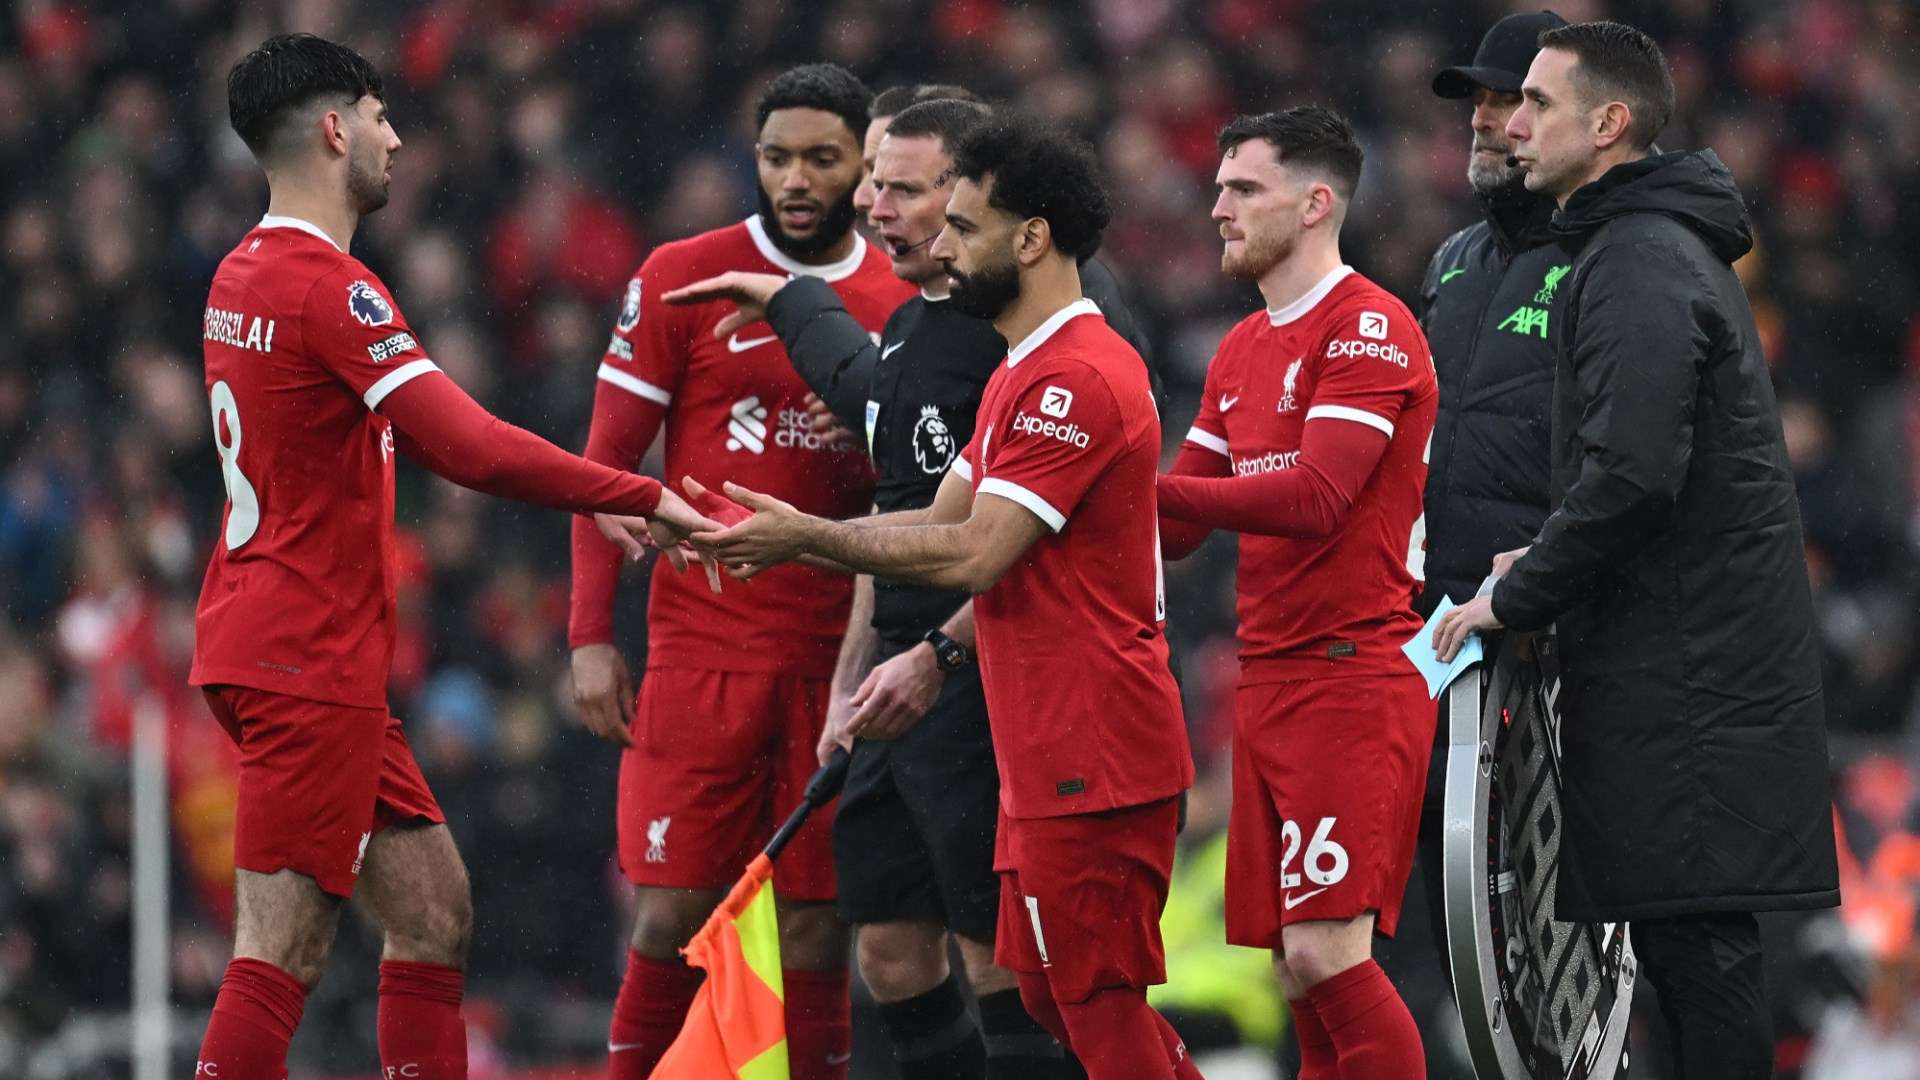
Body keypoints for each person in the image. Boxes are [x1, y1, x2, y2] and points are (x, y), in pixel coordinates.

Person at [189, 33, 719, 1080]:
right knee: (281, 947)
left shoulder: (237, 272)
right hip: (303, 659)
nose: (397, 135)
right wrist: (636, 490)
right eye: (382, 115)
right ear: (335, 130)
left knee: (434, 910)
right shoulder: (329, 289)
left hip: (282, 643)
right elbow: (465, 446)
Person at [679, 112, 1201, 1080]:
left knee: (1092, 1001)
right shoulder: (1017, 374)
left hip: (1099, 745)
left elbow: (972, 554)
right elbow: (924, 519)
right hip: (1038, 739)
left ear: (1031, 238)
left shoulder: (1077, 377)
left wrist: (809, 538)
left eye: (962, 227)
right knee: (1053, 994)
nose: (939, 247)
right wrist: (790, 540)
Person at [1433, 21, 1840, 1080]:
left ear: (1609, 124)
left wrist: (1516, 597)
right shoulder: (1638, 246)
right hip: (1687, 658)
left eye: (1535, 104)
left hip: (1688, 674)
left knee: (1700, 960)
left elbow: (1631, 478)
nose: (1510, 125)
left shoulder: (1637, 258)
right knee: (1688, 953)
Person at [567, 62, 915, 1080]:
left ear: (865, 169)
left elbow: (925, 473)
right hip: (701, 650)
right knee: (670, 908)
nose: (796, 179)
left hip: (839, 656)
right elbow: (602, 468)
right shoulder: (683, 272)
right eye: (777, 158)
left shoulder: (904, 291)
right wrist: (591, 634)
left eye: (822, 158)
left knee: (816, 922)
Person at [1155, 105, 1438, 1080]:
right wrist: (1062, 488)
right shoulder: (1239, 350)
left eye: (1245, 189)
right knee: (1295, 972)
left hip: (1352, 675)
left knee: (1328, 954)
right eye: (1220, 186)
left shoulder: (1371, 326)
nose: (1219, 207)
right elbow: (1182, 524)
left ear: (1317, 203)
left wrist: (1138, 487)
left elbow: (1318, 495)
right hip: (1270, 686)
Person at [1387, 5, 1569, 1029]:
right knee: (1460, 929)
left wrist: (1549, 583)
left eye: (1512, 99)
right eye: (1481, 101)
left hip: (1557, 640)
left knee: (1569, 940)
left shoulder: (1611, 257)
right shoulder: (1452, 262)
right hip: (1441, 634)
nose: (1486, 120)